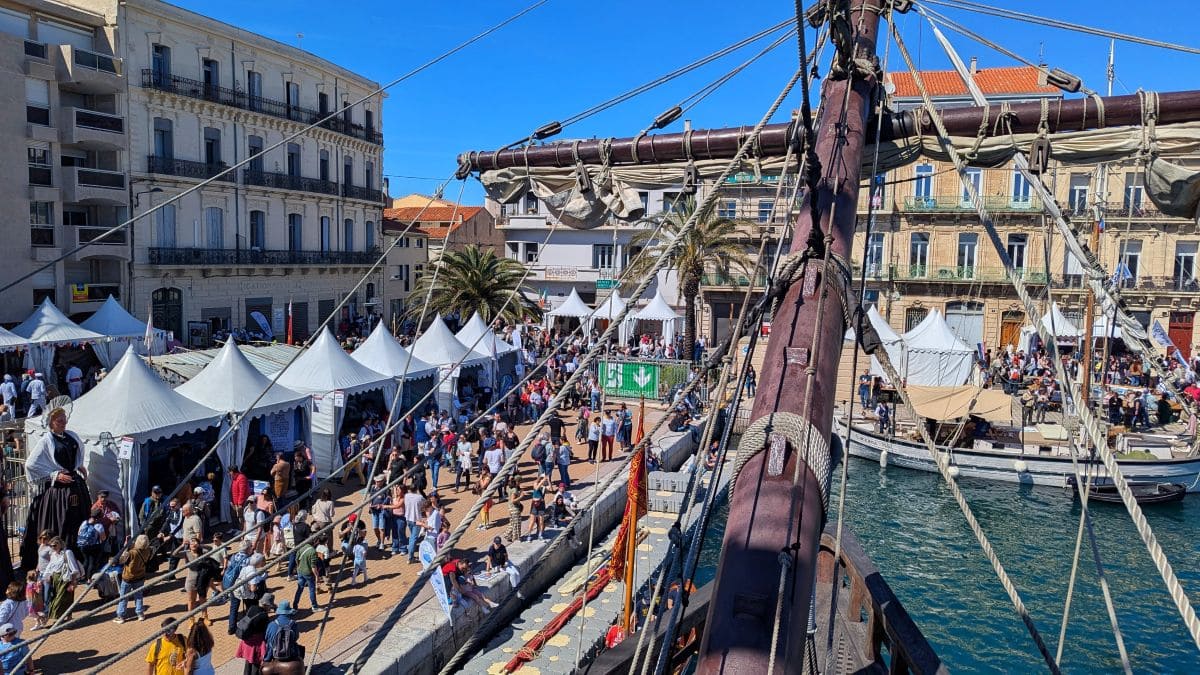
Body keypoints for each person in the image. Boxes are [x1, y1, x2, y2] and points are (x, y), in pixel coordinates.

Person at [20, 407, 91, 571]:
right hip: (59, 492)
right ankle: (60, 560)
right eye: (60, 420)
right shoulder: (46, 440)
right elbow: (31, 464)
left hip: (75, 484)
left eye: (65, 419)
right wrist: (54, 474)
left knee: (79, 520)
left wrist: (78, 464)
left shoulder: (70, 435)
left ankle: (80, 560)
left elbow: (75, 452)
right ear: (51, 422)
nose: (64, 423)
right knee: (62, 521)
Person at [114, 534, 154, 623]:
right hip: (140, 577)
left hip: (128, 577)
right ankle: (140, 614)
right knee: (139, 596)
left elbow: (121, 560)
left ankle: (121, 616)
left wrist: (125, 546)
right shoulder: (148, 550)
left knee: (123, 597)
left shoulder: (132, 553)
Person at [41, 536, 80, 621]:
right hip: (55, 579)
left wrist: (73, 582)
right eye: (51, 546)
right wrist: (46, 576)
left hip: (65, 579)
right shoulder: (53, 554)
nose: (53, 547)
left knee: (60, 600)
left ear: (60, 544)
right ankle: (68, 617)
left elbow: (74, 568)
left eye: (55, 545)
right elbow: (50, 567)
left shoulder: (67, 553)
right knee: (62, 599)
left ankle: (58, 618)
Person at [235, 592, 273, 675]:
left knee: (248, 662)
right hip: (256, 645)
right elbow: (265, 631)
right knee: (255, 665)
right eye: (270, 606)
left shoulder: (252, 608)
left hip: (246, 641)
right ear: (267, 605)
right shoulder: (264, 616)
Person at [263, 600, 304, 666]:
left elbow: (266, 638)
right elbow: (296, 638)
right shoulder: (293, 624)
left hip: (274, 653)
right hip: (290, 653)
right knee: (300, 649)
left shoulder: (271, 624)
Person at [292, 539, 324, 612]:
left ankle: (295, 606)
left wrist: (299, 567)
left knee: (299, 589)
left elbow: (297, 559)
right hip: (308, 574)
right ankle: (314, 607)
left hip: (300, 571)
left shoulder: (303, 546)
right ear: (315, 542)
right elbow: (313, 567)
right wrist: (317, 577)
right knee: (311, 590)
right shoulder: (313, 552)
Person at [76, 508, 107, 578]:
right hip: (93, 547)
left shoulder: (84, 522)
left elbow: (78, 532)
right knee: (91, 562)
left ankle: (81, 577)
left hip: (82, 545)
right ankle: (89, 579)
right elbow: (103, 538)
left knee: (85, 561)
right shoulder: (99, 526)